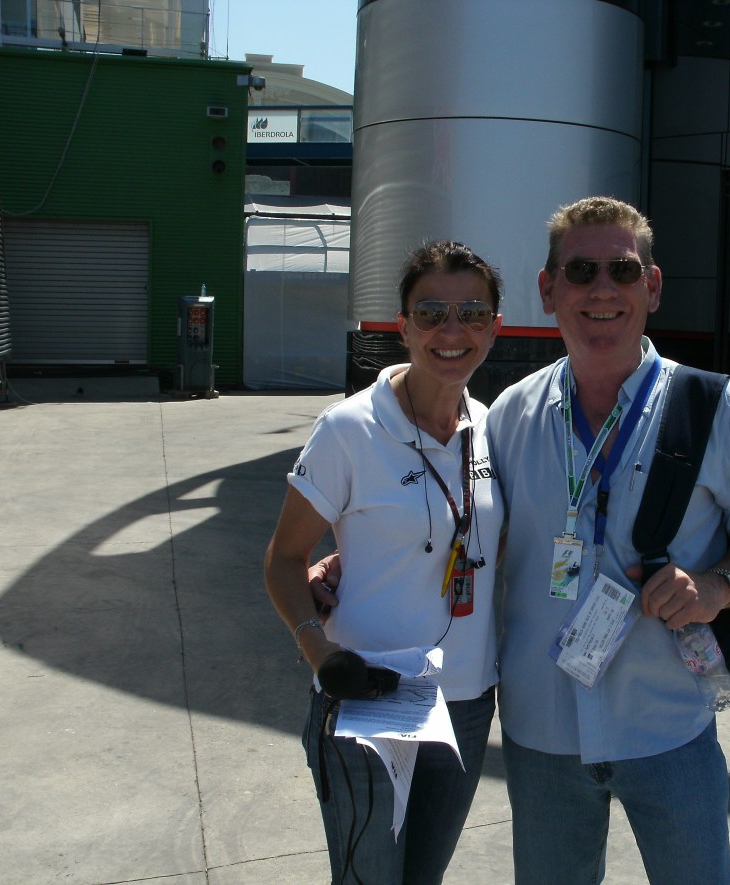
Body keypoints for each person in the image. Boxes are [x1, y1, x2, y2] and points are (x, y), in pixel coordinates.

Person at [487, 196, 730, 883]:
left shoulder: (714, 406)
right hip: (543, 732)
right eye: (581, 270)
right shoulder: (512, 414)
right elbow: (471, 535)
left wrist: (719, 586)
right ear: (548, 289)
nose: (602, 289)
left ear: (651, 287)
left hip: (668, 725)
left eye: (623, 271)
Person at [264, 241, 505, 884]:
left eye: (472, 313)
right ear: (402, 326)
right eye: (430, 311)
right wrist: (323, 657)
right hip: (368, 698)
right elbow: (285, 559)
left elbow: (481, 544)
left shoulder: (493, 429)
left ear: (494, 328)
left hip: (465, 702)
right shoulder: (348, 429)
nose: (451, 331)